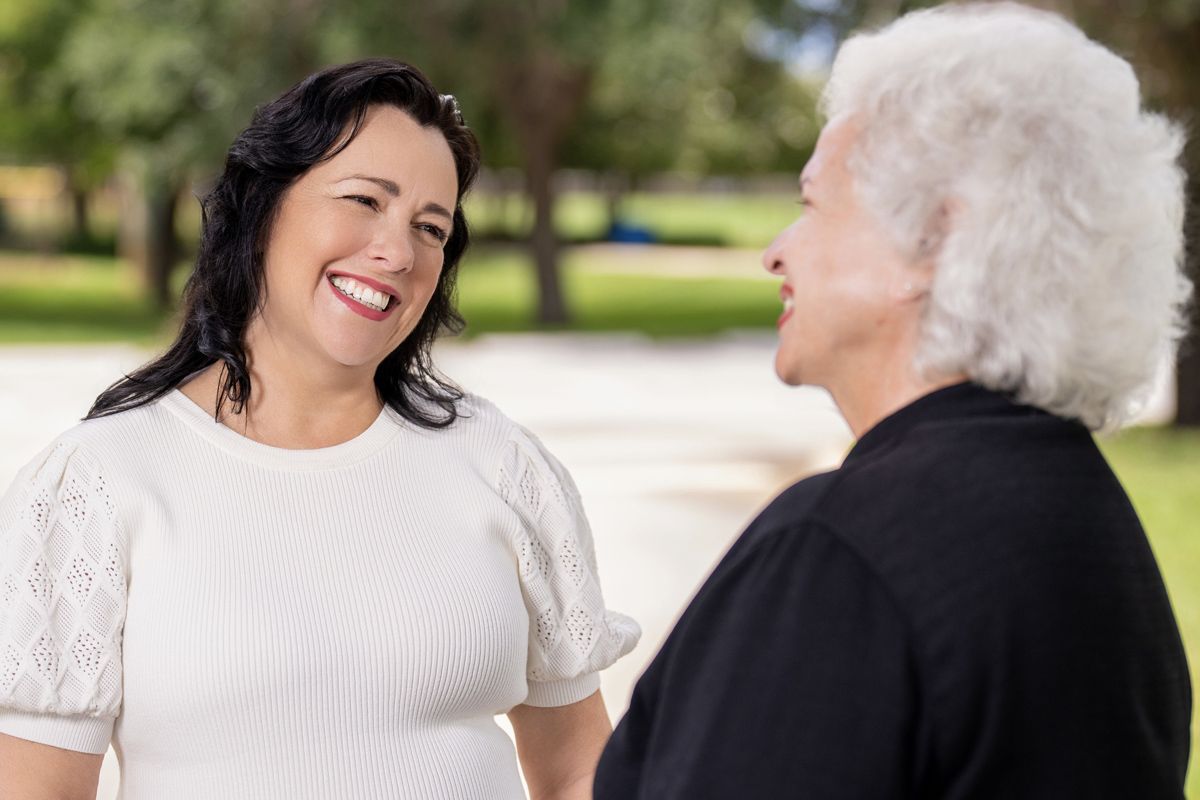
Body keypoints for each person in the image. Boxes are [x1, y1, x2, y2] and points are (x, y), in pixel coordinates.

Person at [595, 3, 1192, 798]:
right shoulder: (1094, 523)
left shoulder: (839, 555)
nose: (778, 250)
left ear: (936, 242)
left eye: (812, 205)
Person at [0, 59, 639, 799]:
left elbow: (576, 773)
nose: (398, 253)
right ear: (263, 207)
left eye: (430, 228)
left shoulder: (501, 464)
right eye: (365, 199)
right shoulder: (99, 481)